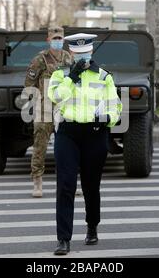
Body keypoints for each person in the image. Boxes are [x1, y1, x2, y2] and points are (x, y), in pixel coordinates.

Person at [48, 33, 122, 255]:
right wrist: (72, 77)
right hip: (67, 133)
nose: (81, 57)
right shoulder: (60, 75)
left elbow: (115, 107)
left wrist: (108, 118)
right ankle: (63, 239)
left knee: (91, 186)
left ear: (91, 52)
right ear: (70, 53)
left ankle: (92, 226)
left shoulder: (103, 76)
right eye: (77, 53)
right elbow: (56, 97)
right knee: (66, 185)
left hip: (95, 133)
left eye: (85, 53)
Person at [24, 27, 72, 197]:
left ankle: (69, 182)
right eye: (55, 38)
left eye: (60, 38)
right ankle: (37, 182)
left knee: (68, 148)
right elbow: (29, 83)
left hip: (65, 108)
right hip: (44, 108)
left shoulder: (68, 58)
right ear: (48, 39)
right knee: (40, 146)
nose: (58, 41)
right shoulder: (40, 59)